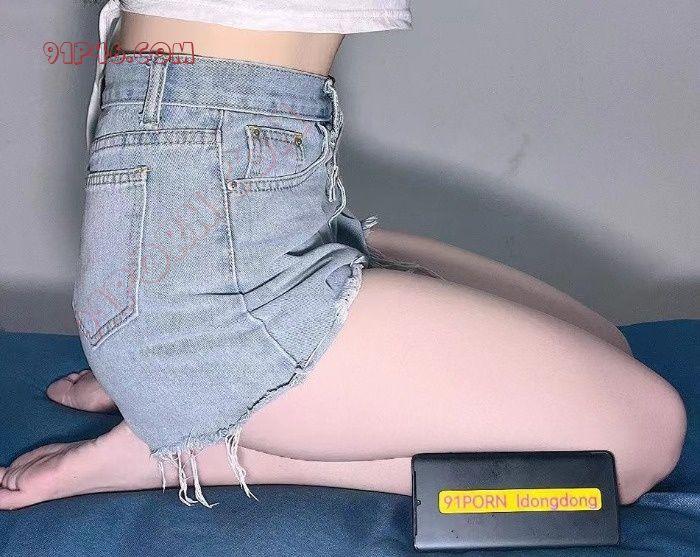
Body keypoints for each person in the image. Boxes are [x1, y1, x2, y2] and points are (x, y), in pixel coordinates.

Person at [0, 1, 686, 510]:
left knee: (605, 348)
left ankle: (164, 359)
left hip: (247, 197)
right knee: (636, 444)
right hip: (212, 272)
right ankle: (201, 433)